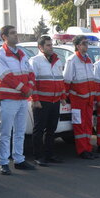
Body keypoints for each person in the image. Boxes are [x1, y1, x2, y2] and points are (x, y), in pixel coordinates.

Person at [0, 25, 36, 175]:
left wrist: (29, 87)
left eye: (16, 33)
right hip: (9, 99)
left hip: (22, 99)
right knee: (5, 132)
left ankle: (19, 159)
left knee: (20, 131)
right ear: (4, 36)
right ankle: (3, 162)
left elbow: (30, 72)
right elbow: (6, 77)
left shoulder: (22, 53)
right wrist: (25, 89)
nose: (16, 36)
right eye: (12, 33)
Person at [29, 36, 67, 166]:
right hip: (42, 101)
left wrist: (62, 97)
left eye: (51, 45)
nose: (51, 47)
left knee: (51, 129)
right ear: (40, 47)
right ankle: (38, 156)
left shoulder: (57, 61)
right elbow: (32, 83)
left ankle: (50, 154)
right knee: (39, 130)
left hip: (54, 101)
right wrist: (35, 100)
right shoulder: (35, 61)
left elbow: (60, 81)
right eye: (48, 45)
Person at [63, 35, 98, 159]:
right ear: (78, 46)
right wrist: (66, 97)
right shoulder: (72, 60)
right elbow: (67, 80)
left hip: (88, 98)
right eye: (84, 43)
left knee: (88, 124)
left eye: (87, 43)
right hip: (78, 99)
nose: (86, 45)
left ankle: (88, 148)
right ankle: (82, 150)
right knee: (79, 125)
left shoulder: (88, 59)